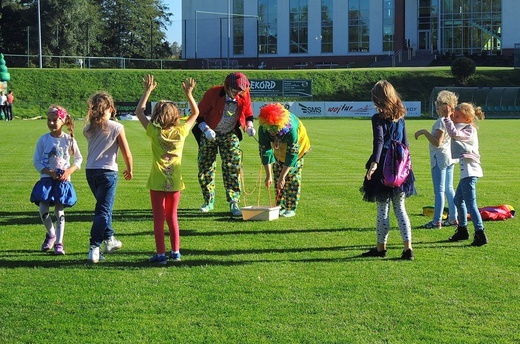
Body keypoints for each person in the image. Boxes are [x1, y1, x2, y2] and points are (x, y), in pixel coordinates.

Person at [135, 75, 199, 264]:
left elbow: (139, 112)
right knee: (172, 217)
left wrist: (147, 91)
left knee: (158, 219)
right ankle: (176, 252)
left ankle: (161, 255)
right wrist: (189, 94)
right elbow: (195, 113)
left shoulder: (155, 132)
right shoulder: (181, 132)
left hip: (156, 180)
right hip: (175, 181)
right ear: (175, 116)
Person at [360, 80, 416, 260]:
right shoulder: (401, 117)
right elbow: (406, 144)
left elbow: (379, 141)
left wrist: (374, 163)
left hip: (384, 167)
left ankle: (380, 247)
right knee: (401, 209)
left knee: (382, 209)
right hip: (400, 165)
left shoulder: (378, 118)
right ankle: (408, 248)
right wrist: (408, 164)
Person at [193, 72, 255, 217]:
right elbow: (199, 115)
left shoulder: (244, 94)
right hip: (209, 134)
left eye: (241, 91)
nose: (238, 93)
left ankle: (234, 202)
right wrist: (206, 129)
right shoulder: (213, 93)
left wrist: (250, 126)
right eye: (235, 90)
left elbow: (248, 113)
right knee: (205, 167)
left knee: (232, 167)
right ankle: (208, 201)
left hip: (230, 133)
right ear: (227, 86)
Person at [83, 91, 133, 263]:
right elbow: (126, 152)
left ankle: (110, 239)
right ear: (111, 108)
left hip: (90, 171)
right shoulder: (116, 127)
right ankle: (94, 246)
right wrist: (130, 168)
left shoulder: (88, 128)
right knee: (103, 210)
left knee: (104, 207)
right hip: (108, 172)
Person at [30, 106, 82, 255]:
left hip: (63, 182)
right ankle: (51, 234)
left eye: (54, 120)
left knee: (59, 211)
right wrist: (49, 172)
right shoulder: (44, 139)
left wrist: (68, 171)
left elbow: (78, 159)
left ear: (63, 120)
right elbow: (37, 161)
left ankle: (59, 243)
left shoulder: (69, 140)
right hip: (47, 179)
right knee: (43, 210)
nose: (51, 123)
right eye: (49, 120)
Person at [443, 102, 488, 246]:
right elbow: (453, 130)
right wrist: (449, 117)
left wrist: (447, 119)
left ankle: (480, 233)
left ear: (468, 119)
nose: (455, 119)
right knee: (458, 200)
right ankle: (462, 229)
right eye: (454, 116)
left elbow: (454, 134)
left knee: (470, 204)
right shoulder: (462, 126)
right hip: (466, 173)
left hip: (470, 172)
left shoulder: (469, 129)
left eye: (457, 116)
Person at [257, 103, 311, 218]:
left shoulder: (291, 130)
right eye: (270, 130)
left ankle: (290, 208)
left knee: (291, 177)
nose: (272, 133)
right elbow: (265, 152)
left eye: (275, 130)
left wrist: (283, 176)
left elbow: (292, 154)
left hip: (299, 149)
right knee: (277, 178)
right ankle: (279, 206)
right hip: (279, 151)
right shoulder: (263, 129)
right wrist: (269, 175)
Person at [414, 90, 458, 229]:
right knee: (449, 189)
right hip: (449, 157)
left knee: (439, 190)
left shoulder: (441, 122)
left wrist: (424, 132)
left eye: (438, 104)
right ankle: (453, 218)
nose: (436, 107)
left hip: (439, 157)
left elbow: (437, 142)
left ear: (445, 106)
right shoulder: (451, 120)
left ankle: (436, 221)